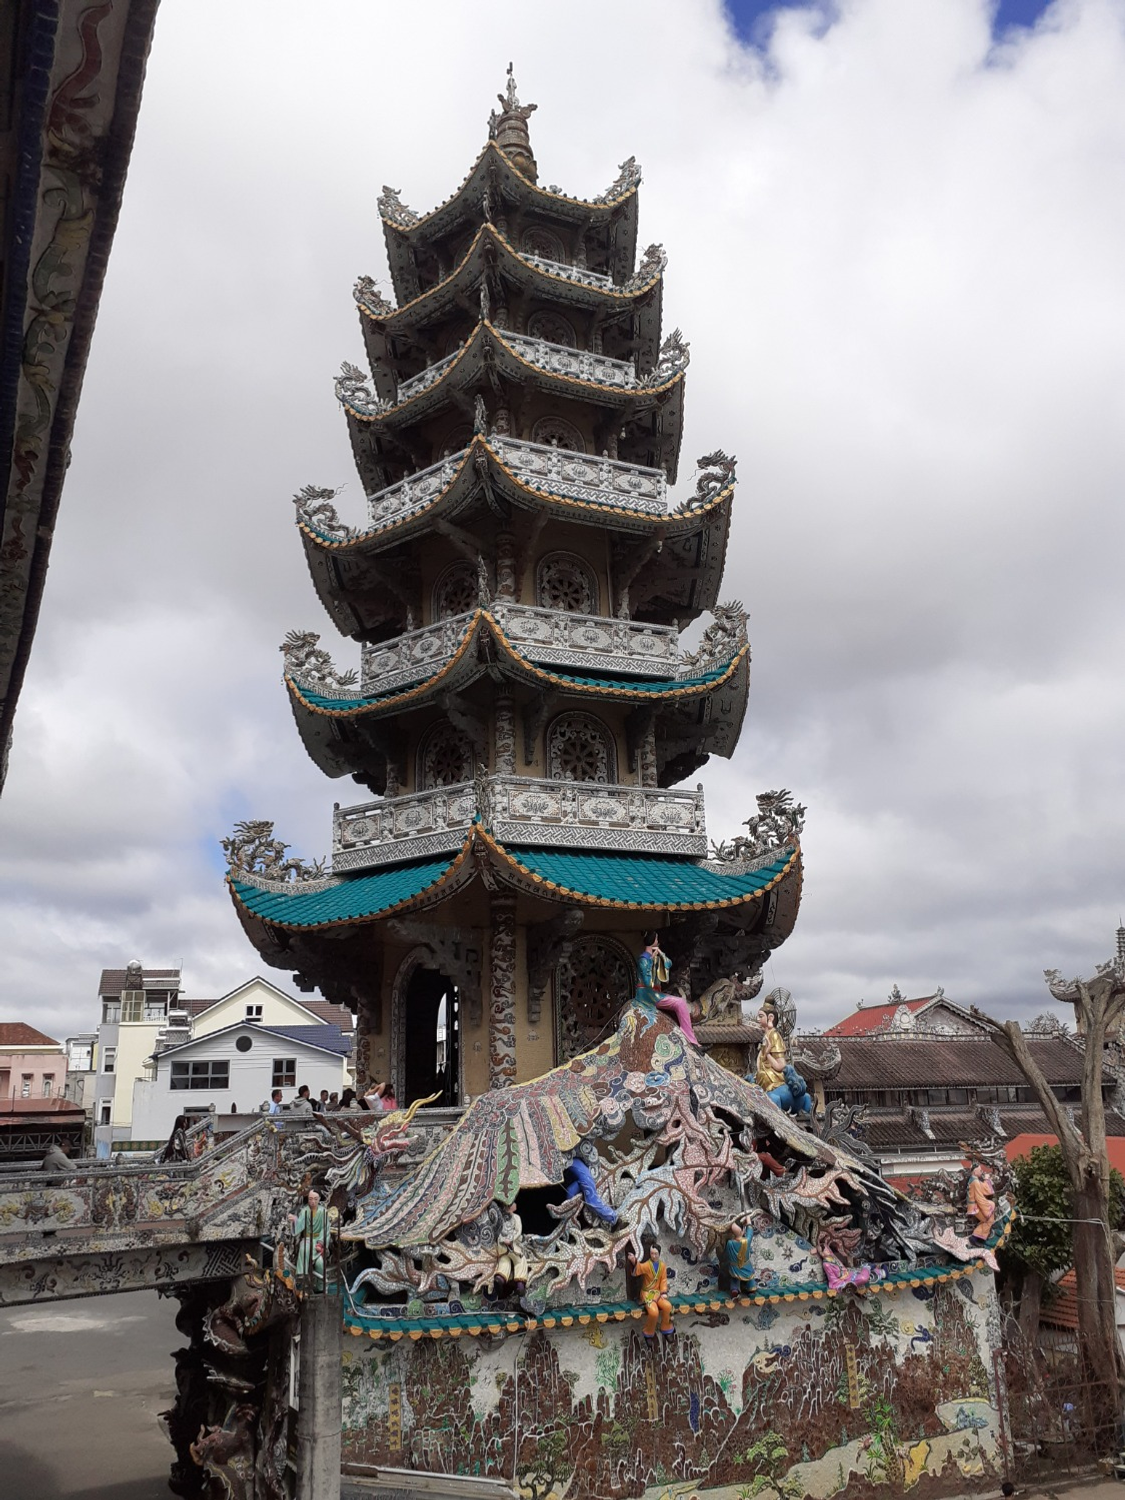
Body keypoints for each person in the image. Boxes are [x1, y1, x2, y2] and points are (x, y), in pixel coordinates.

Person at [634, 932, 700, 1045]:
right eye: (657, 939)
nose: (658, 941)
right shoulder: (644, 960)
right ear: (653, 940)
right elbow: (647, 982)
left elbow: (668, 964)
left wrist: (661, 954)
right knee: (680, 1003)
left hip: (653, 992)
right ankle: (690, 1039)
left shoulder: (654, 956)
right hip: (647, 994)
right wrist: (651, 960)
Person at [751, 999, 812, 1116]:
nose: (757, 1019)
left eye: (760, 1016)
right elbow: (760, 1060)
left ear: (770, 1018)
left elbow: (781, 1065)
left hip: (774, 1077)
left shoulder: (774, 1035)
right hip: (768, 1072)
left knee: (762, 1080)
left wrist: (768, 1054)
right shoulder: (766, 1035)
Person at [563, 1143, 617, 1226]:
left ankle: (569, 1214)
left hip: (575, 1160)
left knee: (577, 1186)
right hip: (569, 1159)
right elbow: (591, 1200)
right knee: (587, 1187)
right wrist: (613, 1217)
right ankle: (612, 1217)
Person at [629, 1241, 673, 1338]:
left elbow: (663, 1280)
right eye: (652, 1253)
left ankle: (666, 1327)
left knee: (668, 1306)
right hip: (647, 1293)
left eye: (655, 1254)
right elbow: (638, 1268)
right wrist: (634, 1261)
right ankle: (648, 1332)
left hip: (658, 1293)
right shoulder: (647, 1265)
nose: (653, 1256)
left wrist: (663, 1292)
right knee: (654, 1312)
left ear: (659, 1254)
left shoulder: (662, 1266)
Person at [289, 1188, 329, 1282]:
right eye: (310, 1199)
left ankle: (320, 1286)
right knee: (304, 1249)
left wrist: (320, 1243)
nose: (313, 1201)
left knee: (320, 1263)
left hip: (318, 1241)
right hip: (307, 1239)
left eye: (315, 1199)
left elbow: (325, 1229)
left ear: (319, 1199)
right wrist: (295, 1220)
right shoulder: (304, 1211)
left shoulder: (323, 1212)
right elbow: (300, 1225)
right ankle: (301, 1275)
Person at [725, 1220, 756, 1294]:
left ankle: (734, 1289)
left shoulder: (729, 1243)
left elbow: (727, 1254)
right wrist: (748, 1220)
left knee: (734, 1278)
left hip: (734, 1267)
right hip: (745, 1265)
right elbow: (750, 1233)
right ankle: (751, 1287)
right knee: (750, 1276)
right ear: (742, 1232)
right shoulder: (746, 1241)